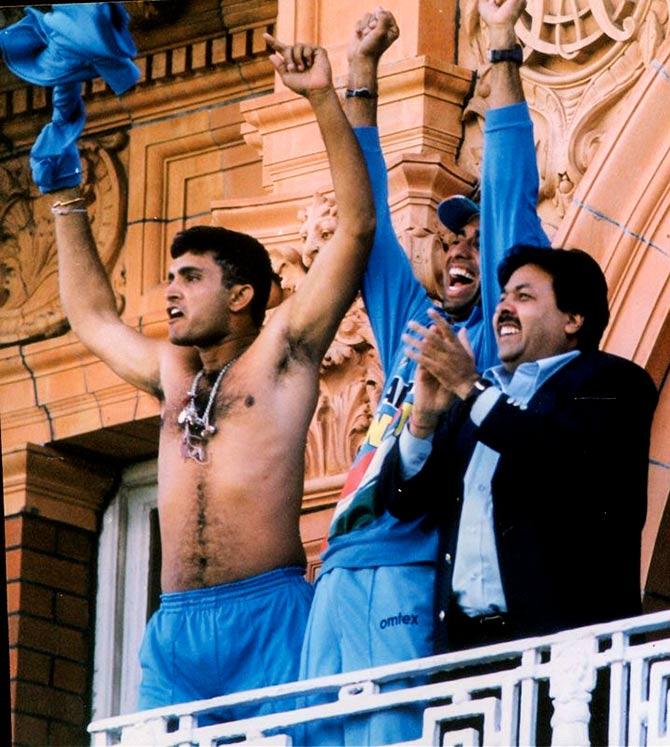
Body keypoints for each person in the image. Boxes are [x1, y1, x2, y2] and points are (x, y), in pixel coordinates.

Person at [49, 35, 375, 717]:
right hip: (175, 629)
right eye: (170, 277)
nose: (171, 292)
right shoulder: (172, 372)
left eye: (190, 278)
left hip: (268, 613)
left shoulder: (283, 351)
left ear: (242, 295)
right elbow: (90, 315)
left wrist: (321, 97)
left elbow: (354, 231)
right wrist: (64, 201)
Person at [299, 1, 549, 743]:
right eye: (447, 239)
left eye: (474, 237)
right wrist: (360, 79)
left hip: (406, 570)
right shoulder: (416, 324)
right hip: (336, 570)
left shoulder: (495, 340)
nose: (460, 251)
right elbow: (364, 220)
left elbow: (509, 191)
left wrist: (501, 49)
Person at [378, 244, 658, 653]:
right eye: (503, 296)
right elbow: (405, 503)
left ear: (573, 319)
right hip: (466, 657)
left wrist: (469, 387)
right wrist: (423, 418)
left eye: (523, 296)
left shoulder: (614, 382)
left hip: (568, 660)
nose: (503, 307)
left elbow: (558, 455)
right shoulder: (477, 401)